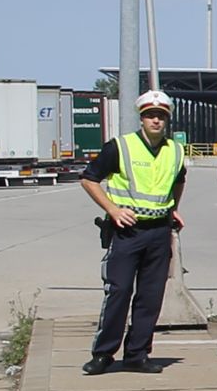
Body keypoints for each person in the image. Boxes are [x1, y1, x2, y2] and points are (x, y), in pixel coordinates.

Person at [79, 90, 188, 375]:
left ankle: (137, 354)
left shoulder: (175, 151)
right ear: (141, 118)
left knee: (150, 297)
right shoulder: (121, 146)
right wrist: (113, 210)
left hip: (159, 232)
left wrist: (173, 208)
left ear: (167, 120)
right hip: (127, 232)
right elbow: (89, 180)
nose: (156, 120)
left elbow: (179, 180)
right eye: (151, 115)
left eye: (161, 116)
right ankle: (103, 354)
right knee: (119, 291)